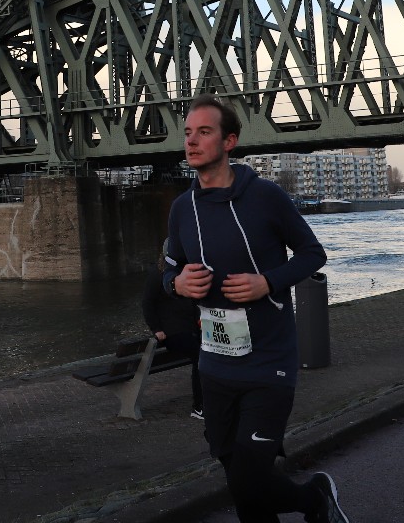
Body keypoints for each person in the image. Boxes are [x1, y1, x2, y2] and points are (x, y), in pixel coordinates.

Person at [163, 94, 349, 523]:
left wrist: (267, 281)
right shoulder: (182, 208)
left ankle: (313, 499)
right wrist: (177, 283)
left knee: (248, 479)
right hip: (214, 365)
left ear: (229, 141)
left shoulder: (265, 197)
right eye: (188, 133)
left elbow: (312, 254)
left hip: (268, 363)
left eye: (204, 132)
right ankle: (315, 502)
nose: (191, 141)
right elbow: (169, 269)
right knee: (241, 483)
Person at [142, 240, 203, 418]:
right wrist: (156, 329)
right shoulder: (157, 274)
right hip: (172, 332)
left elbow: (193, 301)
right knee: (201, 356)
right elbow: (147, 303)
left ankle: (210, 400)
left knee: (209, 352)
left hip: (190, 328)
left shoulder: (184, 273)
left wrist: (199, 319)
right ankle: (199, 406)